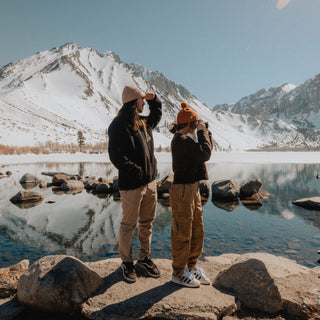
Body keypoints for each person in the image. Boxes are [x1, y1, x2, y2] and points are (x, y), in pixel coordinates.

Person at [108, 85, 162, 282]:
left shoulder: (143, 122)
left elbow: (156, 115)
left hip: (150, 182)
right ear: (133, 102)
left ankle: (144, 259)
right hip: (132, 185)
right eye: (141, 100)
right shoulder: (118, 125)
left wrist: (153, 99)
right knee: (128, 224)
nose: (143, 103)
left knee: (147, 223)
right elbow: (116, 156)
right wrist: (136, 170)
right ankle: (127, 263)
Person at [169, 102, 213, 288]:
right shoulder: (181, 140)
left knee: (196, 228)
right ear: (190, 124)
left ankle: (192, 266)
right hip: (183, 190)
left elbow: (203, 151)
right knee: (183, 231)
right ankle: (178, 273)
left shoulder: (186, 139)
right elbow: (205, 154)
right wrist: (203, 133)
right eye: (195, 124)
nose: (197, 127)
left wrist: (205, 133)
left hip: (192, 187)